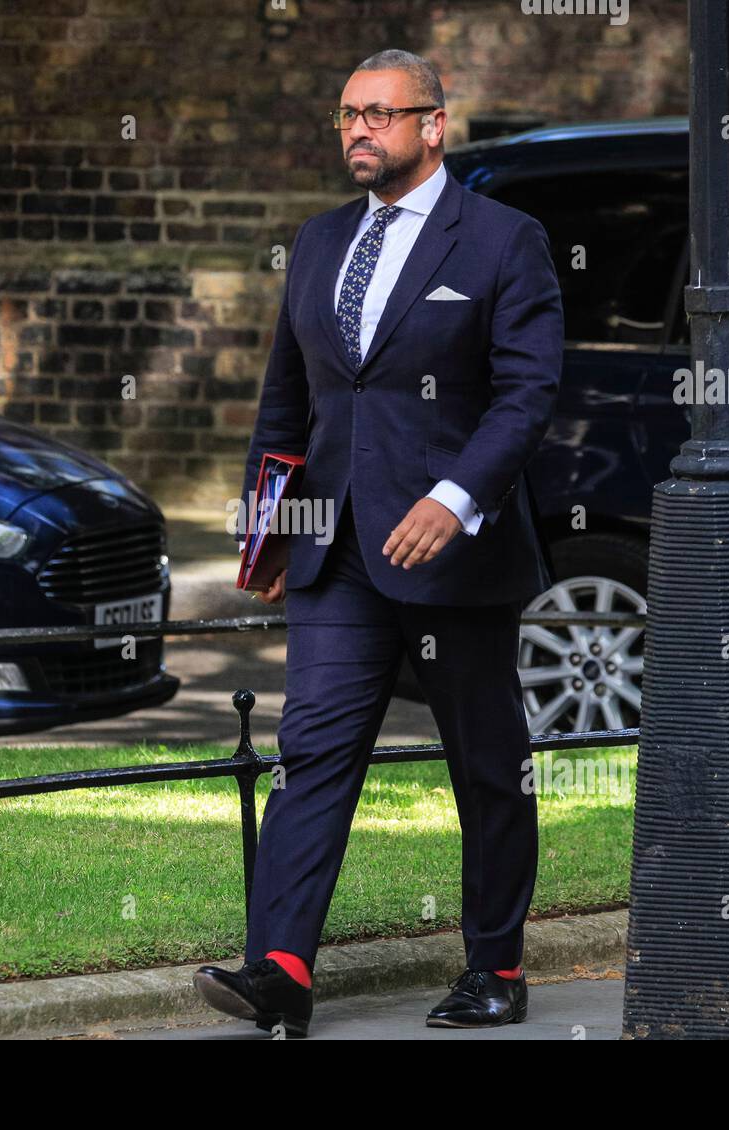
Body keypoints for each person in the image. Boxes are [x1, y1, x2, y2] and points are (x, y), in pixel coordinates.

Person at [194, 48, 563, 1038]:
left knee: (484, 765)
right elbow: (288, 400)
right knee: (311, 750)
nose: (359, 130)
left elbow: (527, 393)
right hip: (338, 555)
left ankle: (496, 963)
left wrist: (454, 495)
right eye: (346, 115)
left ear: (433, 125)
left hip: (456, 554)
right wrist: (268, 529)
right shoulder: (316, 243)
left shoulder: (500, 240)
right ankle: (279, 967)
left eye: (379, 115)